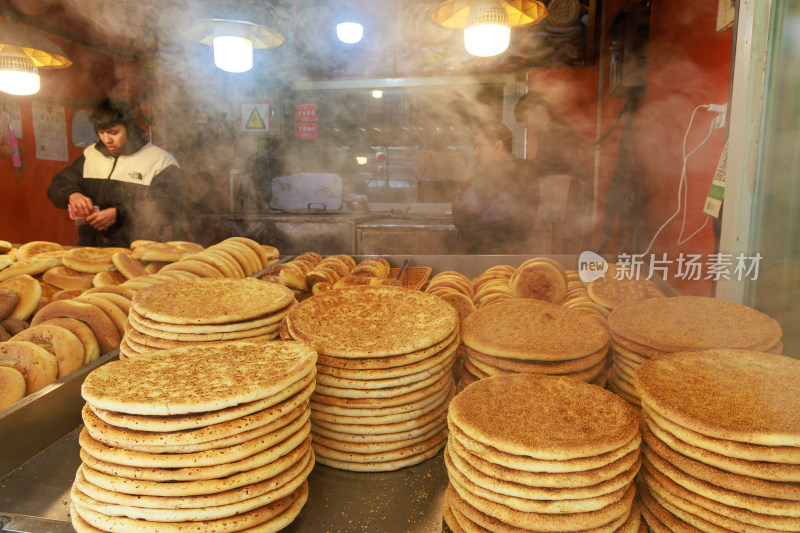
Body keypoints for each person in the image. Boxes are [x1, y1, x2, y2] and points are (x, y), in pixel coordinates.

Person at [47, 98, 184, 247]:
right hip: (91, 248)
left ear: (129, 127)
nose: (107, 139)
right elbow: (59, 183)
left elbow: (169, 207)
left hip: (137, 249)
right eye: (101, 132)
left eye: (114, 132)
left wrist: (120, 214)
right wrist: (72, 194)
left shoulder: (160, 161)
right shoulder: (91, 155)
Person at [514, 92, 589, 253]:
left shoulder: (557, 130)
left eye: (526, 118)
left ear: (539, 109)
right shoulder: (548, 131)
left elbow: (544, 164)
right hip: (560, 199)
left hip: (568, 198)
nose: (525, 125)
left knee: (564, 248)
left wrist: (513, 166)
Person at [452, 121, 537, 254]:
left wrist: (465, 182)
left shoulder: (489, 173)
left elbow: (461, 219)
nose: (476, 153)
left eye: (479, 146)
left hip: (489, 253)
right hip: (521, 250)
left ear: (498, 146)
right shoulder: (527, 169)